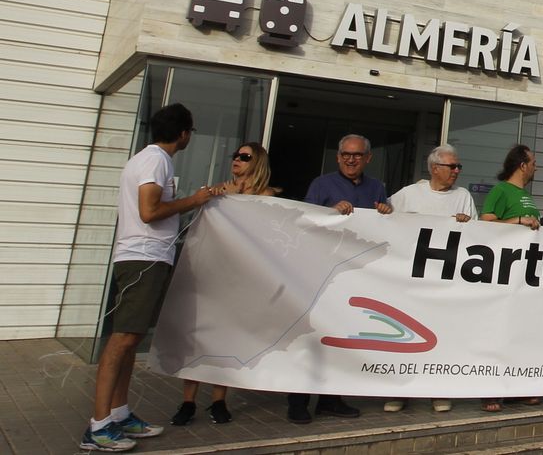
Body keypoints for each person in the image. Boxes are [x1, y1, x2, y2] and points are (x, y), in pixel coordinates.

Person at [85, 103, 224, 452]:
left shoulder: (148, 159)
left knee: (130, 340)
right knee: (121, 340)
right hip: (143, 259)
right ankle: (98, 426)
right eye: (190, 132)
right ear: (183, 134)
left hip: (146, 259)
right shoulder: (156, 160)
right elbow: (149, 211)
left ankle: (119, 413)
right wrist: (195, 200)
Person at [171, 141, 275, 427]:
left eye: (245, 157)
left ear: (257, 162)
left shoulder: (265, 196)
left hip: (240, 275)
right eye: (235, 155)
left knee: (227, 337)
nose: (237, 160)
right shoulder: (217, 191)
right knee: (198, 335)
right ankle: (188, 401)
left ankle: (219, 399)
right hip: (210, 272)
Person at [288, 133, 382, 425]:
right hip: (321, 273)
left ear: (368, 158)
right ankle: (298, 401)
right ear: (338, 157)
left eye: (357, 155)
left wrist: (387, 213)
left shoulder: (377, 188)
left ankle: (330, 399)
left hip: (354, 277)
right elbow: (306, 221)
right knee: (310, 339)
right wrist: (330, 212)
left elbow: (385, 231)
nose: (351, 160)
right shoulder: (321, 185)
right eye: (346, 155)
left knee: (341, 339)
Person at [386, 145, 475, 415]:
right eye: (452, 166)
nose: (457, 171)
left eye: (459, 167)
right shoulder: (408, 195)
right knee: (406, 335)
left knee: (442, 335)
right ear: (435, 168)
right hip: (412, 281)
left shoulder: (463, 196)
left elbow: (477, 234)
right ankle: (399, 391)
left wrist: (466, 223)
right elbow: (383, 218)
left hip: (446, 281)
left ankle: (438, 391)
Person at [476, 145, 542, 414]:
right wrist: (518, 221)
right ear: (522, 165)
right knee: (498, 331)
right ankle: (490, 390)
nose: (536, 167)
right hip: (503, 273)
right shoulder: (500, 191)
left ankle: (516, 388)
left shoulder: (526, 195)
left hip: (524, 275)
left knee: (519, 332)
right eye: (533, 162)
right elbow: (485, 222)